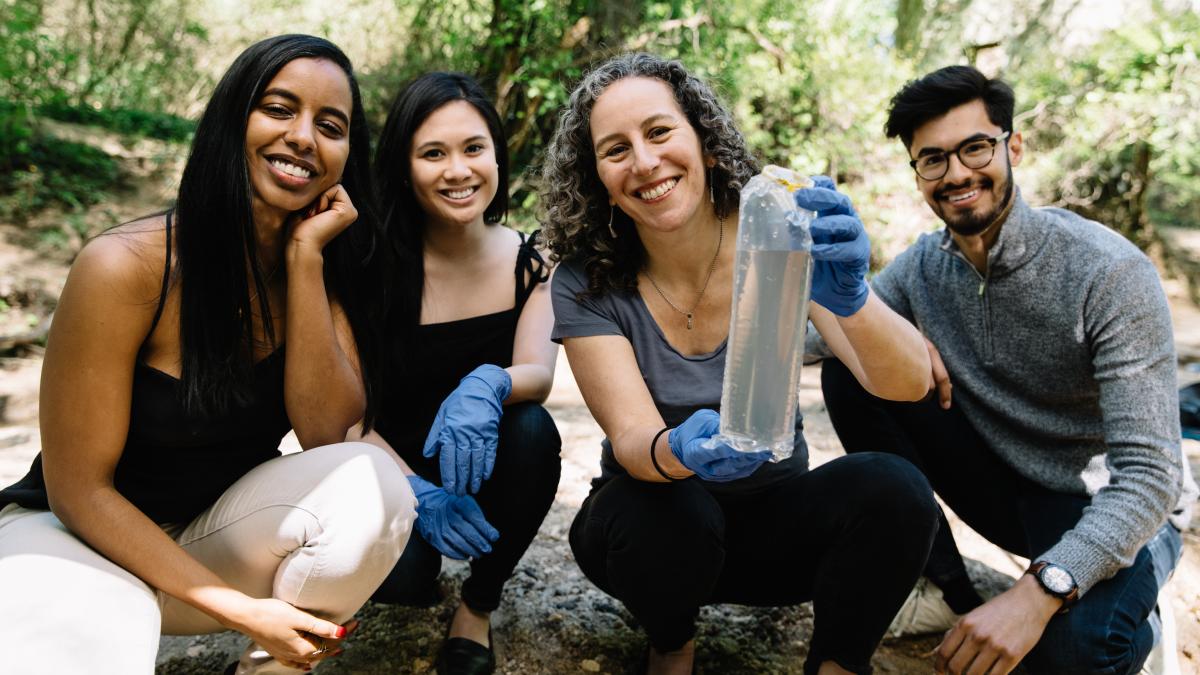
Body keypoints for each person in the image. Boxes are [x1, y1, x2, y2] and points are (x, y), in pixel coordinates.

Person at [0, 35, 416, 675]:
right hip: (75, 537)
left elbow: (328, 434)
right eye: (279, 109)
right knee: (85, 633)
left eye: (330, 125)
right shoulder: (125, 266)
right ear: (232, 119)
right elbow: (78, 491)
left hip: (207, 537)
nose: (304, 137)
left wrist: (305, 263)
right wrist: (240, 610)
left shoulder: (328, 263)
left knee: (374, 482)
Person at [539, 52, 942, 675]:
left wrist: (854, 302)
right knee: (665, 509)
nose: (644, 162)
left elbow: (908, 383)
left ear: (703, 140)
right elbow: (632, 438)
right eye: (615, 149)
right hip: (657, 534)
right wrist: (681, 452)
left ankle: (837, 664)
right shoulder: (585, 282)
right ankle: (671, 644)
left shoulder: (780, 231)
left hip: (778, 534)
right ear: (597, 178)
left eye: (659, 131)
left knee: (897, 490)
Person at [819, 64, 1197, 675]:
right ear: (917, 175)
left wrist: (1038, 591)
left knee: (1076, 651)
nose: (958, 173)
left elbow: (1151, 476)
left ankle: (1133, 620)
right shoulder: (923, 267)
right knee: (852, 370)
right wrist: (829, 286)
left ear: (1013, 146)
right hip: (1001, 486)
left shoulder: (1106, 273)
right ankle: (948, 590)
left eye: (975, 148)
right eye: (933, 159)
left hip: (1111, 503)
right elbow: (821, 339)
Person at [350, 72, 561, 675]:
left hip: (485, 459)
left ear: (497, 152)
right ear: (403, 165)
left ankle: (478, 603)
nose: (458, 170)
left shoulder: (533, 264)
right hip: (384, 467)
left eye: (474, 148)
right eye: (433, 153)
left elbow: (537, 375)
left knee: (534, 431)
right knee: (406, 580)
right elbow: (344, 416)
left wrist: (489, 382)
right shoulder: (367, 264)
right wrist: (418, 495)